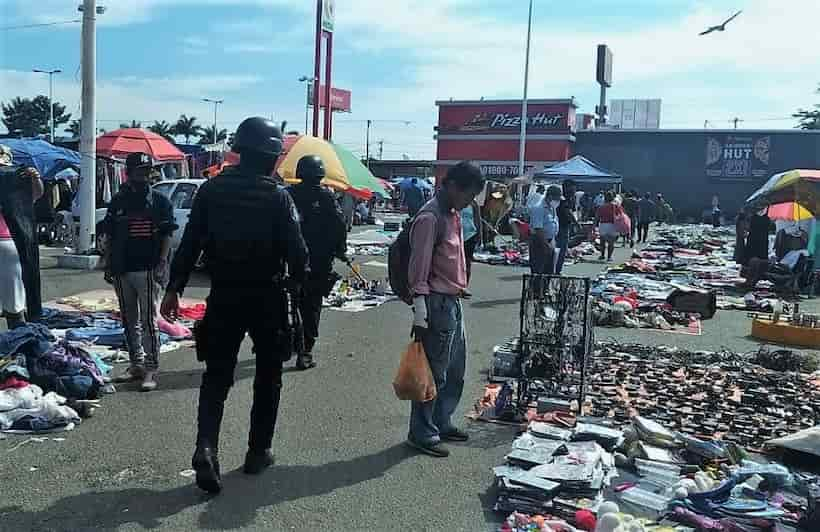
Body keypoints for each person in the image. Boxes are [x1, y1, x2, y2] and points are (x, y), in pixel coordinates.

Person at [160, 117, 309, 494]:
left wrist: (174, 289)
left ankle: (205, 448)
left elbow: (190, 243)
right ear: (272, 157)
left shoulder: (211, 191)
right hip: (268, 298)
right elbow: (299, 255)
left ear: (240, 151)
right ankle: (257, 452)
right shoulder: (278, 196)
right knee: (268, 376)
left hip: (223, 294)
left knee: (216, 377)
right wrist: (297, 284)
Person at [407, 161, 485, 457]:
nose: (469, 202)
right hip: (435, 304)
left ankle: (441, 421)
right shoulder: (430, 217)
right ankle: (422, 431)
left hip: (452, 300)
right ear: (453, 186)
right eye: (468, 196)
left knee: (455, 369)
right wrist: (419, 310)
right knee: (433, 373)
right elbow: (419, 268)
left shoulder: (453, 213)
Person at [97, 152, 177, 392]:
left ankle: (151, 368)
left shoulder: (160, 202)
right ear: (129, 173)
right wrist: (108, 262)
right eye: (139, 171)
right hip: (122, 268)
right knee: (129, 320)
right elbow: (109, 235)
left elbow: (167, 235)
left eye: (147, 171)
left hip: (149, 268)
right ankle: (136, 364)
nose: (144, 175)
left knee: (149, 320)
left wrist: (162, 262)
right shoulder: (119, 201)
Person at [287, 155, 347, 370]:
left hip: (291, 260)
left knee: (293, 303)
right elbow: (340, 226)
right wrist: (340, 249)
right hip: (319, 263)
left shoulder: (288, 194)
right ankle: (306, 350)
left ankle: (296, 342)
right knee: (312, 307)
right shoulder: (327, 197)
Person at [0, 145, 44, 328]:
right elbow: (36, 194)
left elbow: (36, 194)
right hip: (11, 243)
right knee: (14, 301)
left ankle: (18, 338)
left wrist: (35, 178)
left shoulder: (16, 181)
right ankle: (19, 340)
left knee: (14, 301)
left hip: (11, 242)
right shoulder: (16, 180)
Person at [529, 185, 561, 274]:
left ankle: (545, 287)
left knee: (549, 270)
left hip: (550, 241)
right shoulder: (539, 208)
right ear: (550, 196)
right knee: (538, 270)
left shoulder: (552, 208)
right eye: (557, 198)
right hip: (539, 242)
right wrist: (546, 245)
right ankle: (537, 288)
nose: (558, 201)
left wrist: (552, 243)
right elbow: (538, 229)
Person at [555, 179, 577, 274]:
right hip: (560, 227)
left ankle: (555, 269)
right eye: (573, 188)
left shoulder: (569, 198)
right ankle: (557, 270)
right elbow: (568, 212)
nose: (574, 190)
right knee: (561, 250)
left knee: (560, 249)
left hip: (562, 226)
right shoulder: (563, 199)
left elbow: (572, 211)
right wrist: (576, 223)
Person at [595, 191, 624, 262]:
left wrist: (594, 226)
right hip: (613, 225)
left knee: (602, 242)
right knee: (611, 242)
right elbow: (621, 216)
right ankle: (609, 257)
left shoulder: (601, 207)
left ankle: (602, 255)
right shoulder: (617, 206)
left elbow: (597, 218)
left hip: (603, 225)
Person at [461, 198, 482, 285]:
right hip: (457, 235)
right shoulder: (455, 201)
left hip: (470, 235)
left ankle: (465, 285)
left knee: (467, 262)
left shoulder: (473, 203)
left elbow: (477, 219)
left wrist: (479, 235)